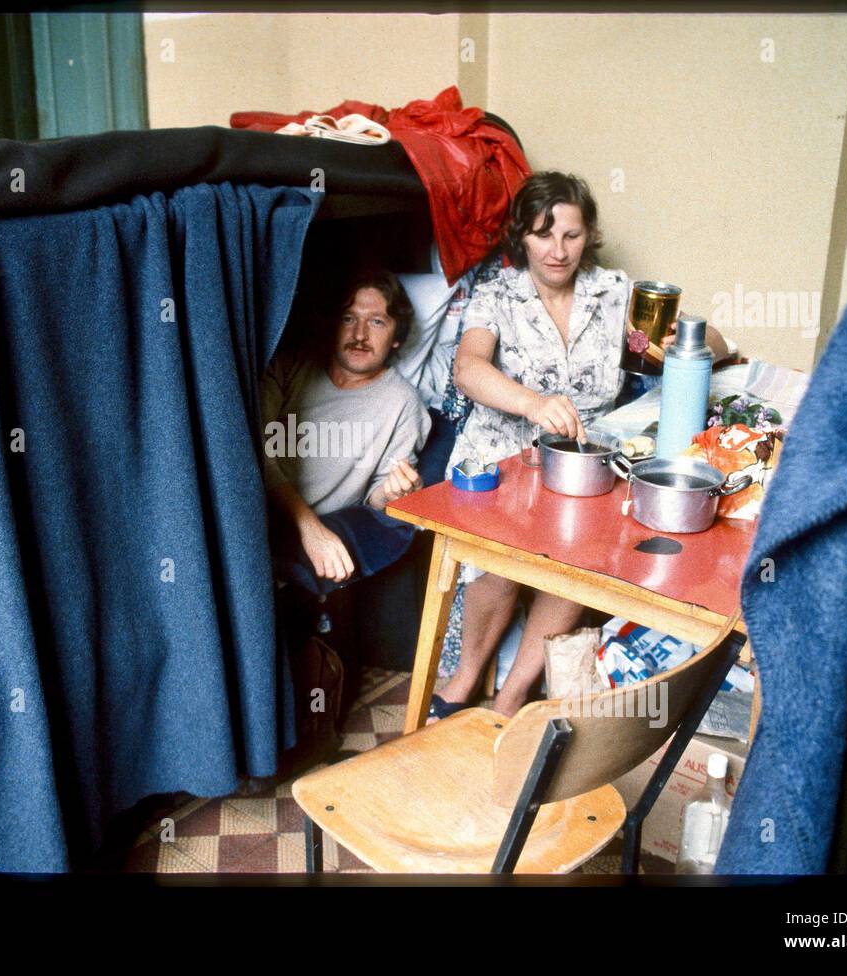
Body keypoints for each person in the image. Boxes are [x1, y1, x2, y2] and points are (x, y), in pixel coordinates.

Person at [429, 171, 729, 721]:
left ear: (588, 235)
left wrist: (684, 340)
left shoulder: (614, 293)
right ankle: (466, 676)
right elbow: (468, 368)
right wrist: (531, 402)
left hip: (585, 457)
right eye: (544, 235)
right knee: (497, 558)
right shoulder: (497, 293)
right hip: (502, 452)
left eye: (571, 234)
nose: (558, 250)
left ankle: (513, 693)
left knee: (577, 560)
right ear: (522, 237)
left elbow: (715, 343)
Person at [262, 270, 432, 586]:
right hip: (258, 513)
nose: (360, 334)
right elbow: (256, 455)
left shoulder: (403, 403)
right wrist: (309, 528)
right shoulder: (291, 366)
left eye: (377, 322)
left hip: (308, 534)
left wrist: (396, 493)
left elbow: (376, 499)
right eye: (349, 319)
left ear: (397, 338)